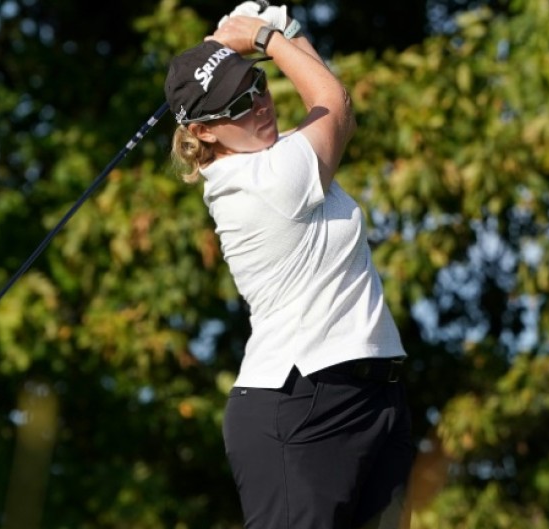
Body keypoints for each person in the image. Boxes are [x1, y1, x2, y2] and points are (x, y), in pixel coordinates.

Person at [162, 3, 413, 528]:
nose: (260, 105)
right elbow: (335, 105)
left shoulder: (280, 160)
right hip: (302, 406)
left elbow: (323, 102)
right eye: (238, 103)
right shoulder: (263, 181)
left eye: (258, 85)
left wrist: (287, 34)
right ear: (204, 132)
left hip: (374, 395)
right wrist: (266, 37)